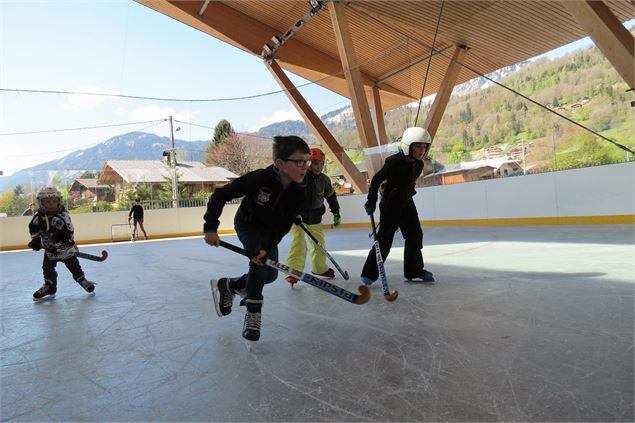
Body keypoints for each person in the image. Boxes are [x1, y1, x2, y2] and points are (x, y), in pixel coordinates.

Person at [204, 135, 310, 342]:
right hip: (248, 225)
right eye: (299, 162)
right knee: (259, 264)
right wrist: (210, 227)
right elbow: (220, 195)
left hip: (269, 232)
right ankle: (253, 313)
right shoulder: (259, 179)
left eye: (307, 161)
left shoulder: (299, 192)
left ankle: (230, 285)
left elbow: (284, 224)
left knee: (270, 275)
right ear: (280, 163)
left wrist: (268, 244)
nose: (305, 166)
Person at [361, 127, 435, 285]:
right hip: (390, 205)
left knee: (415, 236)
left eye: (424, 147)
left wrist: (407, 194)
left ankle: (414, 270)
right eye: (417, 146)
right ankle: (369, 273)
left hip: (407, 204)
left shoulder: (419, 165)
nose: (421, 150)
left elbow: (408, 183)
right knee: (384, 240)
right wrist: (371, 200)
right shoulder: (394, 162)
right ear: (408, 145)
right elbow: (376, 179)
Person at [28, 187, 95, 301]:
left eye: (54, 201)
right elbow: (33, 228)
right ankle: (50, 286)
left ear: (59, 201)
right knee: (47, 268)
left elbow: (68, 231)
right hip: (50, 251)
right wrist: (36, 240)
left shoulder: (63, 216)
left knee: (74, 267)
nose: (51, 204)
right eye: (47, 202)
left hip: (66, 250)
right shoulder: (38, 217)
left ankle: (82, 280)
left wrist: (61, 241)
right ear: (41, 202)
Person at [285, 147, 341, 285]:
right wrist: (294, 213)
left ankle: (319, 268)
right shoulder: (300, 177)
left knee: (319, 244)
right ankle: (293, 271)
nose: (318, 167)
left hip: (315, 217)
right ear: (309, 163)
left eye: (321, 163)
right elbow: (289, 198)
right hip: (299, 218)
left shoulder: (325, 180)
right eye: (315, 163)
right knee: (299, 243)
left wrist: (336, 212)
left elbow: (331, 196)